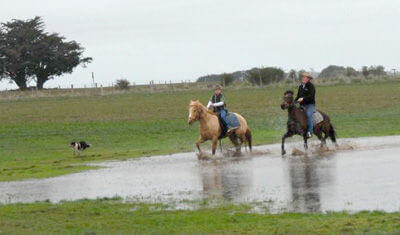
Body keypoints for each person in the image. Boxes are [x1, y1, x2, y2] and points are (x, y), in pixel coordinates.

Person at [295, 72, 316, 138]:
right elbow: (298, 96)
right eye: (303, 77)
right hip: (302, 106)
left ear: (308, 79)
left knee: (309, 115)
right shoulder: (301, 86)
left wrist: (303, 99)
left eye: (305, 77)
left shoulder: (311, 86)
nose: (303, 78)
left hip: (310, 105)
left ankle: (310, 132)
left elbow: (311, 96)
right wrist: (294, 102)